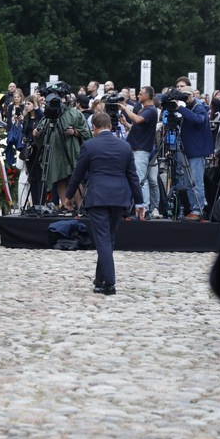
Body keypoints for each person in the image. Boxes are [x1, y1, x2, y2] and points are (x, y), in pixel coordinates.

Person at [63, 111, 145, 296]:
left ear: (94, 128)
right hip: (119, 198)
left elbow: (78, 172)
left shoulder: (89, 145)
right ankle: (100, 280)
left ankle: (110, 282)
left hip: (98, 197)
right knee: (109, 239)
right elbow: (133, 176)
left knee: (102, 240)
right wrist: (139, 202)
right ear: (109, 126)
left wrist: (69, 195)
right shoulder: (125, 146)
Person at [175, 85, 213, 221]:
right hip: (187, 150)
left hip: (197, 151)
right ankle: (193, 209)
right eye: (183, 95)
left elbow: (198, 120)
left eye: (188, 95)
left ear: (194, 95)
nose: (186, 98)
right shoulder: (185, 107)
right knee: (188, 182)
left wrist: (180, 108)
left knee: (196, 182)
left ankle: (198, 209)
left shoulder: (199, 107)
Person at [121, 86, 159, 218]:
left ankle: (145, 208)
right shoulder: (145, 109)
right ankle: (141, 207)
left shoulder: (150, 110)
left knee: (141, 180)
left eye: (140, 93)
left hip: (141, 151)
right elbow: (138, 127)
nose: (138, 96)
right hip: (137, 149)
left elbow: (137, 120)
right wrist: (126, 123)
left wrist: (125, 108)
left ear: (147, 96)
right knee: (139, 179)